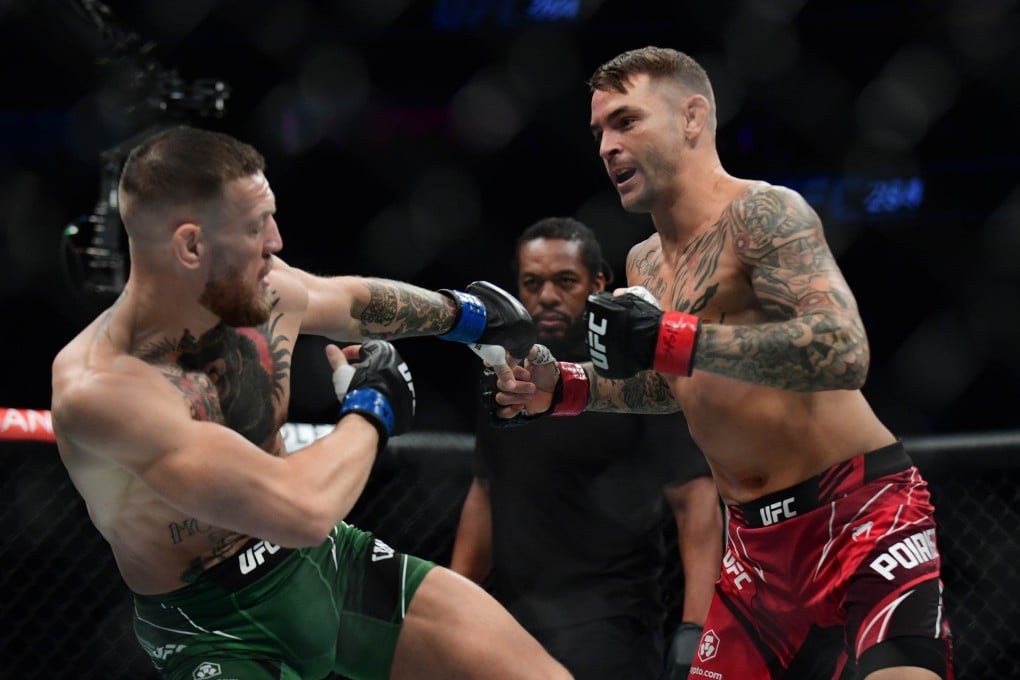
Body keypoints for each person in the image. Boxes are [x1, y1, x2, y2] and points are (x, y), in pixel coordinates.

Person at [489, 47, 954, 679]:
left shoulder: (764, 214)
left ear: (692, 118)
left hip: (859, 517)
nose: (607, 146)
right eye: (599, 131)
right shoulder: (644, 263)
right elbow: (677, 385)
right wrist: (565, 387)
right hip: (753, 552)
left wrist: (673, 335)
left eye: (626, 121)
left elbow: (843, 351)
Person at [49, 125, 573, 680]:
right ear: (191, 245)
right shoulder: (104, 389)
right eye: (255, 227)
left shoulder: (258, 287)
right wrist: (374, 405)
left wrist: (466, 316)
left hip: (328, 564)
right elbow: (300, 511)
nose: (275, 240)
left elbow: (350, 301)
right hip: (214, 628)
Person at [450, 217, 722, 680]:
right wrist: (455, 603)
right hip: (514, 620)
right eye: (532, 283)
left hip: (613, 623)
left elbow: (695, 503)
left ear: (598, 284)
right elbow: (485, 490)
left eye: (565, 281)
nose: (547, 296)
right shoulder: (505, 371)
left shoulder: (635, 371)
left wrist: (696, 632)